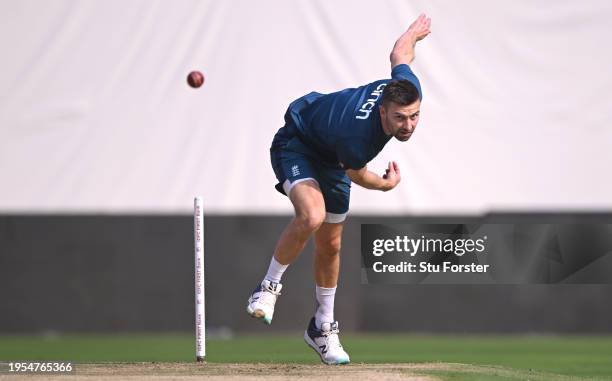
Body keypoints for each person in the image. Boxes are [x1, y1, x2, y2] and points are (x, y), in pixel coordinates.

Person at [246, 14, 431, 365]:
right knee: (312, 215)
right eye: (399, 119)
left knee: (331, 244)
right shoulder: (357, 138)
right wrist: (386, 184)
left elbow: (400, 55)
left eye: (414, 116)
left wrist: (412, 33)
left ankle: (322, 327)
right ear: (382, 111)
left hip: (332, 157)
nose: (408, 126)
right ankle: (268, 287)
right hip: (298, 144)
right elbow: (359, 175)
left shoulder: (406, 88)